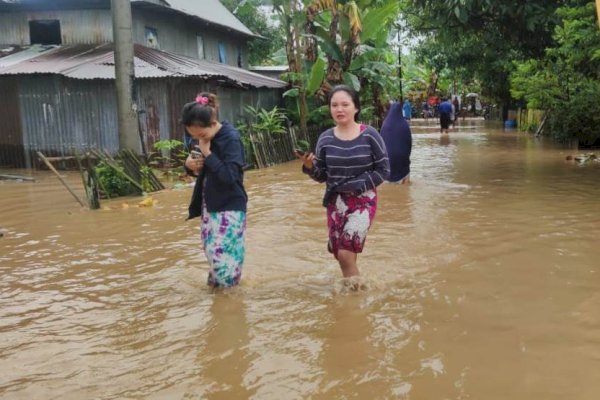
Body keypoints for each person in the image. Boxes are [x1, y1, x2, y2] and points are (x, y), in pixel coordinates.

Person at [297, 85, 390, 280]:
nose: (339, 109)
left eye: (345, 104)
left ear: (356, 107)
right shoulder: (326, 139)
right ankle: (355, 285)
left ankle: (353, 299)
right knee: (340, 254)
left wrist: (360, 185)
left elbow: (384, 170)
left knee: (346, 254)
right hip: (335, 201)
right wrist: (309, 167)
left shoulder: (370, 135)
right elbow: (322, 175)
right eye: (334, 105)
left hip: (363, 200)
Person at [183, 93, 248, 288]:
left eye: (200, 135)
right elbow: (203, 171)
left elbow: (230, 177)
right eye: (192, 135)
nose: (197, 139)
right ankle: (220, 306)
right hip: (209, 207)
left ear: (212, 123)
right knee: (214, 259)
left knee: (224, 266)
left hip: (229, 207)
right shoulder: (204, 139)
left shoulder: (230, 138)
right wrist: (189, 166)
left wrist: (208, 153)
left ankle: (230, 308)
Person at [380, 102, 412, 184]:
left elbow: (381, 142)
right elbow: (409, 142)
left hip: (387, 158)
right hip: (402, 157)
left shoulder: (385, 124)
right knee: (406, 184)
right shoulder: (404, 124)